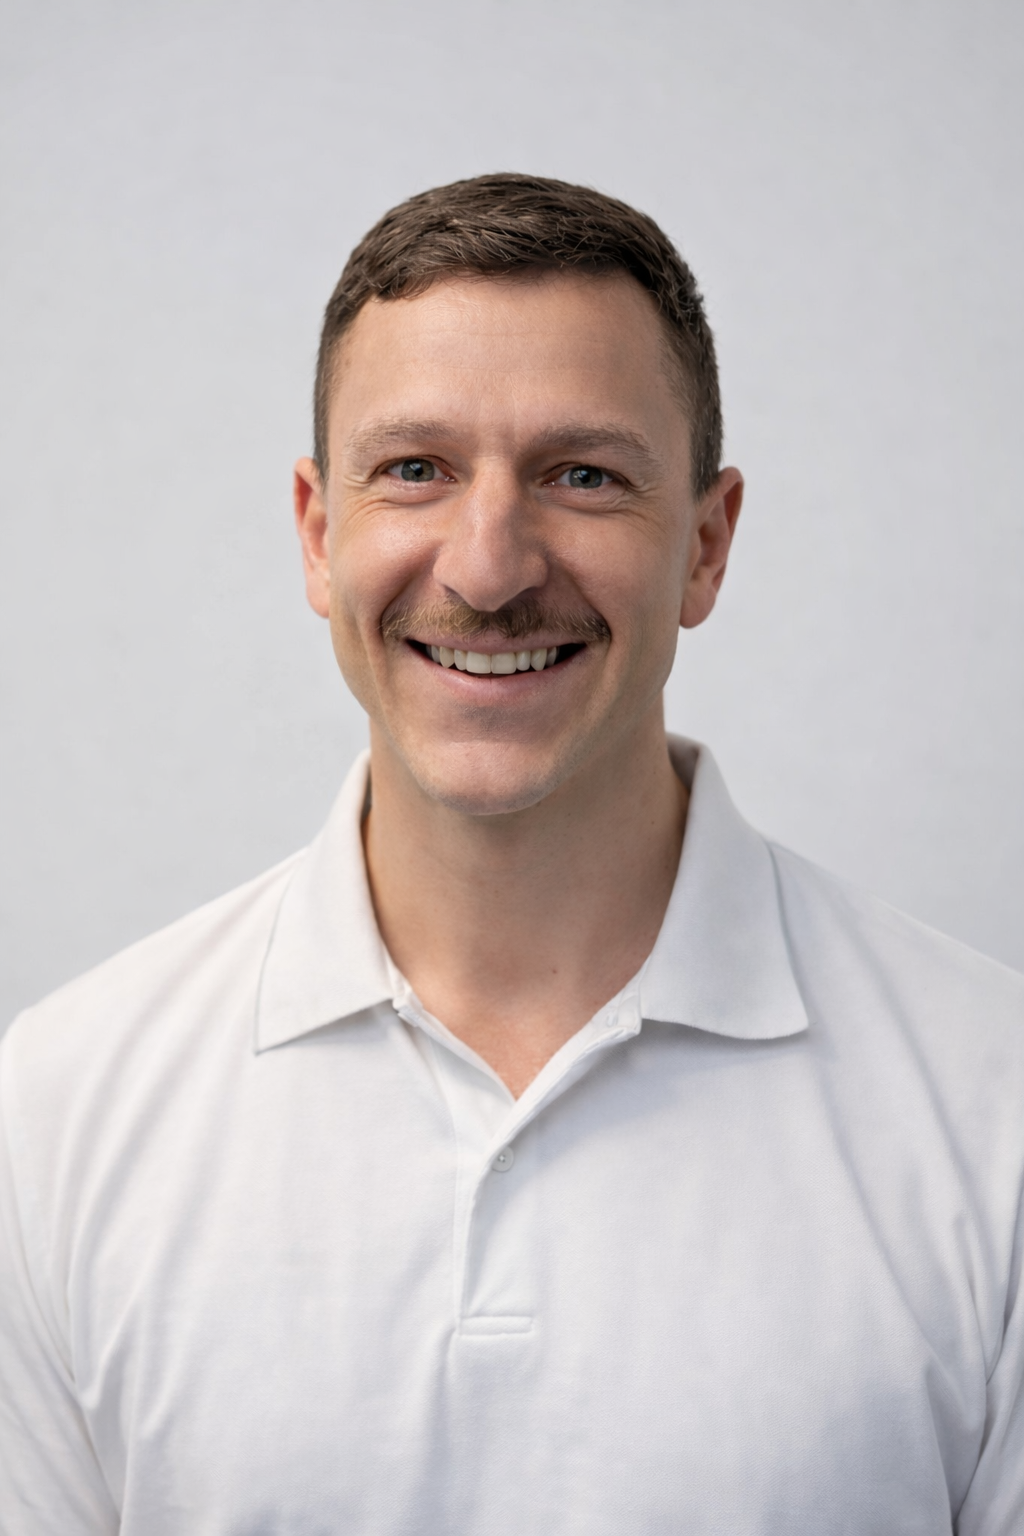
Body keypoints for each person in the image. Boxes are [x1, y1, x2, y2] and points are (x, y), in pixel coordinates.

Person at [1, 173, 1022, 1536]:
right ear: (319, 532)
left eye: (582, 475)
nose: (487, 568)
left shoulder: (994, 1116)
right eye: (414, 469)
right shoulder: (55, 1119)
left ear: (706, 549)